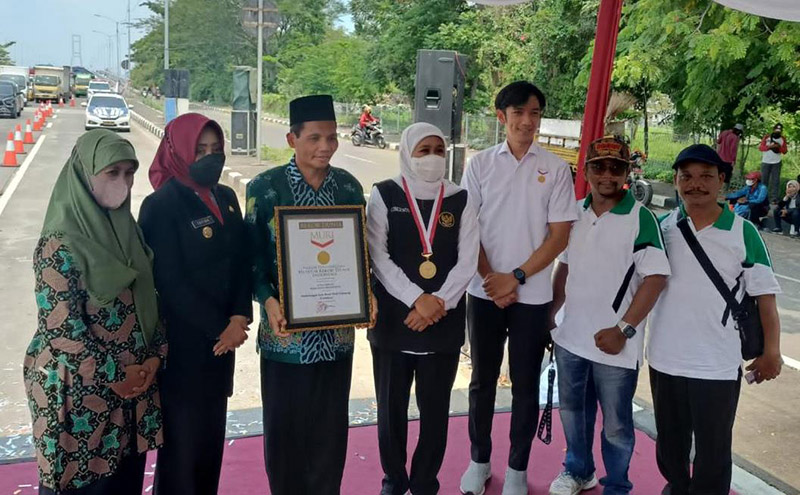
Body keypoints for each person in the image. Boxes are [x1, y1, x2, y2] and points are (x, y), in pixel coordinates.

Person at [24, 130, 167, 494]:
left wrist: (154, 357)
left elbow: (150, 298)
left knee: (123, 484)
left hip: (132, 393)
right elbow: (62, 330)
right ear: (84, 174)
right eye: (112, 172)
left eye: (128, 173)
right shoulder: (59, 243)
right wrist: (115, 375)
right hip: (81, 399)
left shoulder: (128, 233)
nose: (123, 182)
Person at [246, 95, 373, 495]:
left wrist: (366, 294)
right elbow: (251, 260)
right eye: (315, 138)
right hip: (285, 339)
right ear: (292, 139)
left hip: (336, 338)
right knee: (285, 434)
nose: (325, 146)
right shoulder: (266, 188)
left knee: (330, 434)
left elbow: (359, 254)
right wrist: (268, 300)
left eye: (332, 137)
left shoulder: (348, 187)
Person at [459, 81, 577, 495]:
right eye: (518, 113)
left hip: (533, 296)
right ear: (501, 116)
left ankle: (517, 470)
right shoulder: (479, 165)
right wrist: (493, 280)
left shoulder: (556, 169)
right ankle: (478, 461)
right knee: (482, 381)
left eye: (535, 114)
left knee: (526, 385)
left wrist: (518, 278)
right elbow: (468, 228)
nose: (527, 121)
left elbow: (559, 236)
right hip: (484, 292)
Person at [648, 144, 783, 495]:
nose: (696, 184)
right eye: (687, 177)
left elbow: (765, 298)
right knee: (670, 446)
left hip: (716, 364)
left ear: (721, 180)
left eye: (706, 176)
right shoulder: (662, 228)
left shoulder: (743, 232)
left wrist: (772, 351)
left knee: (713, 451)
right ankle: (677, 488)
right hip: (664, 358)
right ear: (676, 181)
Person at [547, 137, 670, 495]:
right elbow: (564, 265)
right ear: (585, 170)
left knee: (616, 425)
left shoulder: (640, 218)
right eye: (598, 166)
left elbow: (656, 278)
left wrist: (623, 329)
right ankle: (578, 471)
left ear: (627, 173)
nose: (607, 175)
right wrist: (551, 315)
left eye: (616, 168)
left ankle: (616, 486)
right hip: (571, 338)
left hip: (616, 345)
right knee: (573, 412)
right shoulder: (574, 213)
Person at [138, 113, 252, 495]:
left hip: (223, 348)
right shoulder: (160, 205)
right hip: (183, 350)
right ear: (179, 151)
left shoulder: (227, 197)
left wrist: (240, 315)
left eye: (216, 149)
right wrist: (220, 327)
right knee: (181, 455)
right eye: (200, 150)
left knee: (209, 449)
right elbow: (169, 282)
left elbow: (241, 261)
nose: (210, 157)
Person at [367, 122, 479, 495]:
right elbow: (377, 256)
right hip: (394, 321)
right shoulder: (385, 194)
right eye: (424, 150)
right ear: (407, 152)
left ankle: (425, 481)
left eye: (439, 150)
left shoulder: (461, 199)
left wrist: (439, 302)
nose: (433, 157)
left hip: (442, 324)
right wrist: (418, 298)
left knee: (435, 413)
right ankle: (393, 479)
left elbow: (468, 260)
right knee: (390, 411)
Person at [759, 123, 789, 203]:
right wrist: (770, 147)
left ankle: (774, 198)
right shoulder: (767, 137)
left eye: (779, 130)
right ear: (773, 129)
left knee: (775, 181)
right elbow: (761, 148)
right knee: (764, 180)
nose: (778, 131)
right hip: (766, 161)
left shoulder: (782, 139)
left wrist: (778, 147)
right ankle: (762, 197)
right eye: (776, 129)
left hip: (777, 162)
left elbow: (785, 151)